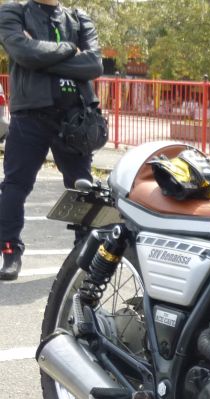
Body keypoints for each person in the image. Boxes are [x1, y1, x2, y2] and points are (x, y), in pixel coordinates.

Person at [0, 0, 102, 281]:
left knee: (83, 187)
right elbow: (23, 53)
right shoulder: (13, 12)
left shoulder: (78, 18)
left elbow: (94, 64)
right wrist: (69, 49)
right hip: (30, 116)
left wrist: (40, 57)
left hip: (76, 118)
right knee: (15, 186)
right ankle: (10, 252)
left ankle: (85, 254)